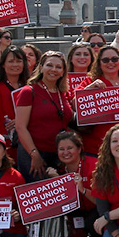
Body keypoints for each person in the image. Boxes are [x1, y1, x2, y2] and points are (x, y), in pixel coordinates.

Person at [13, 50, 74, 183]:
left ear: (63, 72)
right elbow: (20, 127)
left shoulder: (63, 93)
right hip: (34, 153)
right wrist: (34, 154)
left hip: (58, 153)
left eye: (58, 67)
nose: (54, 70)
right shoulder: (29, 91)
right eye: (49, 65)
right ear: (41, 67)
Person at [79, 44, 119, 157]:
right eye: (105, 60)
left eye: (114, 59)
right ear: (99, 63)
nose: (110, 63)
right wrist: (89, 89)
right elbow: (74, 104)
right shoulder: (90, 81)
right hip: (95, 148)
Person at [47, 131, 98, 237]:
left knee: (92, 223)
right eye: (61, 149)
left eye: (70, 148)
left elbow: (102, 201)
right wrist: (57, 181)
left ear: (79, 148)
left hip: (96, 210)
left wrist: (82, 189)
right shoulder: (58, 170)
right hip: (75, 213)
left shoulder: (94, 166)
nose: (66, 152)